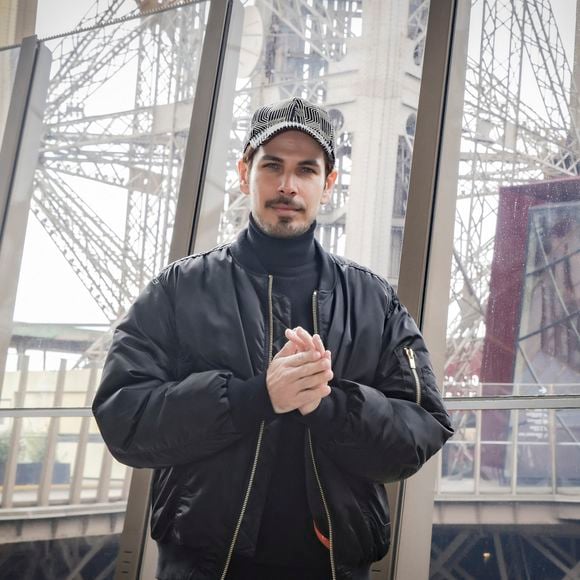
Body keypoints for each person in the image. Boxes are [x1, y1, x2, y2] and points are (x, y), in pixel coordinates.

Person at [92, 97, 454, 580]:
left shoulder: (375, 302)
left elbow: (421, 428)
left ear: (328, 185)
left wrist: (329, 405)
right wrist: (253, 397)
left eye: (306, 169)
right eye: (272, 166)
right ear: (245, 174)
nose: (287, 185)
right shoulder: (178, 290)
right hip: (206, 567)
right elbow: (124, 418)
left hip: (332, 567)